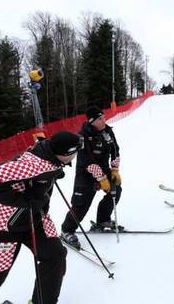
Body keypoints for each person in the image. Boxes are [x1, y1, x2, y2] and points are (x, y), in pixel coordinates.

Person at [0, 131, 83, 304]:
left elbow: (44, 155)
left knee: (55, 255)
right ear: (65, 154)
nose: (76, 155)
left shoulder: (49, 155)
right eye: (75, 152)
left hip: (33, 220)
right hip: (2, 226)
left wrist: (53, 173)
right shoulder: (34, 165)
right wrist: (23, 201)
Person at [60, 106, 122, 249]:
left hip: (104, 168)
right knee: (81, 204)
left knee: (115, 191)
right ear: (92, 121)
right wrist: (100, 178)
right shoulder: (83, 136)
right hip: (86, 173)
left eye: (104, 117)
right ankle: (67, 230)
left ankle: (103, 220)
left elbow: (115, 150)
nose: (104, 121)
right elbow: (86, 160)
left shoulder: (107, 131)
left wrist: (114, 169)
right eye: (100, 119)